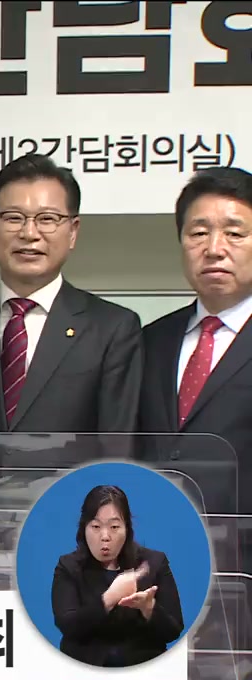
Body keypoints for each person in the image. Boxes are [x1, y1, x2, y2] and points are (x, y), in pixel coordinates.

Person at [0, 154, 142, 433]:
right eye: (13, 218)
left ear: (73, 232)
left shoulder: (112, 328)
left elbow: (117, 441)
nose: (29, 233)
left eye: (47, 219)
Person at [139, 167, 252, 567]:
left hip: (241, 567)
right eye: (198, 233)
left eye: (234, 233)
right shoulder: (150, 339)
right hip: (153, 565)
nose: (214, 248)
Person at [51, 484, 183, 667]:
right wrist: (109, 598)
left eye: (114, 527)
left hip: (143, 672)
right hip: (85, 673)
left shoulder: (154, 563)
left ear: (127, 528)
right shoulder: (68, 566)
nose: (105, 536)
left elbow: (173, 630)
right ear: (84, 528)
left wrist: (148, 608)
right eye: (96, 526)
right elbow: (68, 626)